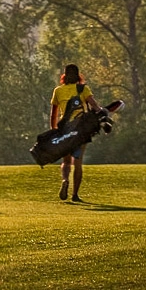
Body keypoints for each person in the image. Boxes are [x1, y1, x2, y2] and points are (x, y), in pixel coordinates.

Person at [48, 64, 100, 202]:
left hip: (65, 129)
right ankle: (75, 195)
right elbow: (95, 106)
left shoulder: (58, 91)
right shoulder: (83, 89)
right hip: (81, 130)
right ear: (78, 76)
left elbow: (53, 114)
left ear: (64, 76)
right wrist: (102, 112)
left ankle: (65, 180)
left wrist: (54, 131)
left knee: (65, 161)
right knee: (77, 162)